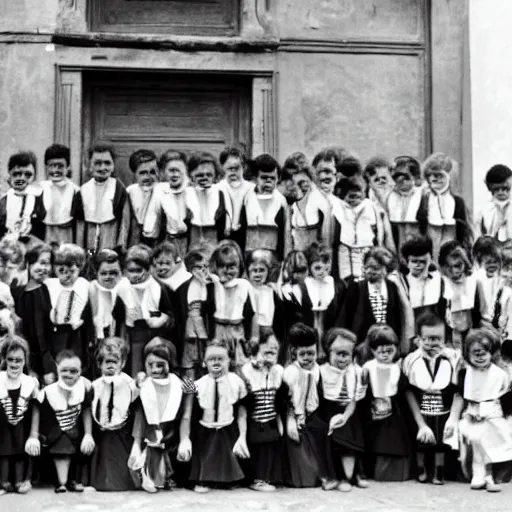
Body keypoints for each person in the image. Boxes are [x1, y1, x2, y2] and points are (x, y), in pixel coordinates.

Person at [445, 328, 512, 492]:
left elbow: (505, 399)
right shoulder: (465, 374)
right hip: (472, 415)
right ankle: (477, 474)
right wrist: (453, 418)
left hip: (493, 415)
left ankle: (489, 476)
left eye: (485, 353)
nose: (480, 357)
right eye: (476, 353)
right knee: (475, 444)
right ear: (468, 353)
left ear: (493, 353)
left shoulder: (500, 374)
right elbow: (460, 396)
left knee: (490, 445)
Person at [128, 338, 194, 492]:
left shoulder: (181, 383)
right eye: (151, 365)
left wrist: (185, 439)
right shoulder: (142, 385)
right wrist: (136, 444)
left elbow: (186, 413)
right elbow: (139, 416)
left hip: (171, 436)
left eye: (160, 365)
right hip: (150, 437)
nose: (155, 370)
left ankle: (172, 477)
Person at [402, 312, 460, 485]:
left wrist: (453, 418)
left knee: (440, 442)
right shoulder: (411, 360)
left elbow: (458, 390)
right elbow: (408, 391)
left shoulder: (453, 358)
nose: (432, 343)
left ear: (445, 338)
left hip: (443, 407)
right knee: (422, 442)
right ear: (418, 339)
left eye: (437, 338)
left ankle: (439, 470)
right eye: (427, 339)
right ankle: (421, 468)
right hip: (422, 406)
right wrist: (420, 423)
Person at [187, 339, 250, 493]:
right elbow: (185, 395)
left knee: (225, 453)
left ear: (229, 360)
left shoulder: (237, 382)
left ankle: (227, 480)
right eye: (211, 359)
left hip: (226, 425)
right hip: (206, 427)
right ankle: (203, 479)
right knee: (205, 452)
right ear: (204, 362)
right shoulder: (199, 383)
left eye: (220, 359)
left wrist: (242, 436)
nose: (216, 363)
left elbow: (242, 410)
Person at [39, 349, 95, 493]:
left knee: (80, 447)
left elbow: (86, 410)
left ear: (80, 372)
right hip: (56, 431)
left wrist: (88, 434)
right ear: (57, 368)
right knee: (61, 446)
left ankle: (72, 480)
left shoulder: (83, 388)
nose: (68, 374)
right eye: (64, 370)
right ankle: (60, 481)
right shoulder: (48, 391)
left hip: (76, 430)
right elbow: (40, 413)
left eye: (73, 371)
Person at [282, 323, 331, 489]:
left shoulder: (317, 369)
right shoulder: (290, 372)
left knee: (320, 439)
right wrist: (291, 420)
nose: (307, 358)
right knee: (298, 448)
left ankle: (323, 475)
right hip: (294, 415)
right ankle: (300, 478)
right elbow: (285, 399)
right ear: (293, 353)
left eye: (311, 353)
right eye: (302, 354)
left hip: (311, 414)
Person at [318, 328, 367, 492]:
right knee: (335, 439)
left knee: (351, 431)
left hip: (349, 411)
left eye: (346, 354)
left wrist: (345, 415)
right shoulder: (322, 371)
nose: (342, 358)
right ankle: (339, 476)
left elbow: (354, 398)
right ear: (328, 351)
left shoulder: (357, 371)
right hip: (328, 410)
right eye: (338, 353)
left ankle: (355, 474)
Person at [361, 325, 411, 481]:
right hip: (372, 407)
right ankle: (371, 470)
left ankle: (395, 471)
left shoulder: (397, 368)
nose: (385, 355)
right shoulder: (368, 367)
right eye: (381, 352)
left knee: (395, 435)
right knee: (373, 436)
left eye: (389, 351)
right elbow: (363, 387)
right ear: (373, 351)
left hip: (393, 409)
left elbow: (401, 390)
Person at [115, 245, 174, 377]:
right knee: (134, 372)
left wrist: (161, 319)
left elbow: (170, 315)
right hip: (131, 335)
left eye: (138, 270)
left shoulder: (159, 288)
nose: (135, 275)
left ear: (147, 269)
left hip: (154, 336)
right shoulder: (122, 288)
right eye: (131, 271)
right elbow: (117, 316)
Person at [90, 337, 138, 491]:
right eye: (106, 362)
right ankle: (103, 482)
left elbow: (133, 400)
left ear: (122, 364)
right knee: (104, 455)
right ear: (100, 365)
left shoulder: (128, 383)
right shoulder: (96, 384)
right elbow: (95, 402)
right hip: (103, 428)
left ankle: (122, 482)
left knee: (119, 455)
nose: (110, 366)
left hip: (122, 428)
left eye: (114, 362)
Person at [241, 328, 286, 491]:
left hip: (271, 417)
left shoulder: (279, 371)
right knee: (259, 443)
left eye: (275, 348)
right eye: (267, 347)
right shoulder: (248, 369)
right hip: (254, 417)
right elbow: (244, 398)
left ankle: (266, 477)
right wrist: (256, 365)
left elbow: (281, 399)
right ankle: (256, 479)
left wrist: (280, 422)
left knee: (271, 443)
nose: (272, 350)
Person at [285, 243, 345, 360]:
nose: (322, 272)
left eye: (326, 268)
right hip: (305, 325)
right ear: (309, 266)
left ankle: (322, 348)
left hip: (329, 326)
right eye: (317, 268)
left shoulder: (332, 284)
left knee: (321, 322)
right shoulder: (305, 284)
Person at [331, 175, 395, 282]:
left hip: (364, 246)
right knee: (345, 275)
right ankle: (347, 293)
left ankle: (360, 294)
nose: (354, 200)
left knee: (361, 275)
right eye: (350, 196)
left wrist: (379, 242)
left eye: (357, 196)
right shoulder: (340, 206)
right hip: (345, 246)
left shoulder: (369, 206)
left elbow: (378, 225)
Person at [0, 335, 41, 495]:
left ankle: (19, 481)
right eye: (11, 359)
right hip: (2, 426)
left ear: (25, 360)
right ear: (4, 359)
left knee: (20, 451)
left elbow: (37, 406)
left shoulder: (30, 382)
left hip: (22, 426)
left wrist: (34, 434)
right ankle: (3, 482)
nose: (15, 364)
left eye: (19, 360)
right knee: (3, 451)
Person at [337, 247, 404, 344]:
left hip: (387, 340)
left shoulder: (391, 287)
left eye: (375, 268)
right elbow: (346, 316)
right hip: (362, 341)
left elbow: (396, 317)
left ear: (386, 269)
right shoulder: (356, 287)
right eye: (366, 267)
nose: (369, 271)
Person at [45, 244, 92, 375]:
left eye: (72, 271)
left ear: (80, 269)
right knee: (57, 362)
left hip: (76, 333)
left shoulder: (84, 285)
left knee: (75, 362)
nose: (67, 275)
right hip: (55, 331)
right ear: (55, 269)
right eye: (62, 271)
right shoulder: (50, 284)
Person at [210, 241, 258, 369]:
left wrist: (254, 336)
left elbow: (253, 314)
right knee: (218, 364)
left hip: (237, 331)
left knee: (239, 365)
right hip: (218, 330)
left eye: (232, 267)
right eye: (222, 266)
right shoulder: (213, 284)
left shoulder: (244, 285)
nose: (227, 271)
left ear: (239, 267)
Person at [417, 152, 473, 260]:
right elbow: (420, 223)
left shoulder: (457, 201)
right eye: (431, 176)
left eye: (440, 176)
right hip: (431, 243)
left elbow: (463, 229)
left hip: (452, 241)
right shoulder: (425, 199)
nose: (435, 180)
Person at [11, 243, 54, 382]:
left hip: (45, 355)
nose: (44, 268)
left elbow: (44, 332)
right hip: (22, 355)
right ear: (29, 263)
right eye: (41, 263)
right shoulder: (16, 291)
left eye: (48, 264)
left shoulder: (46, 290)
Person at [77, 144, 130, 254]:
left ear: (113, 165)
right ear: (89, 165)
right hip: (89, 242)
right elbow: (80, 225)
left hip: (110, 239)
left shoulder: (119, 189)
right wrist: (79, 248)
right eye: (98, 163)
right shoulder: (83, 190)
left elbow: (125, 221)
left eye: (107, 163)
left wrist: (121, 246)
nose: (102, 168)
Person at [174, 248, 216, 379]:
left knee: (207, 368)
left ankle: (204, 398)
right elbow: (193, 314)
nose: (204, 270)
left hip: (208, 328)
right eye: (199, 267)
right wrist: (204, 336)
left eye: (206, 266)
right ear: (191, 269)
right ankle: (189, 397)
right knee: (190, 368)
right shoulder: (187, 288)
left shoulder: (210, 285)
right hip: (193, 334)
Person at [239, 154, 289, 260]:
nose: (268, 181)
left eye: (272, 178)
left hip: (272, 259)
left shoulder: (281, 201)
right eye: (264, 178)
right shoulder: (247, 198)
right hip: (250, 258)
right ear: (256, 178)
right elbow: (241, 233)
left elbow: (285, 236)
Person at [438, 241, 485, 350]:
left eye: (458, 266)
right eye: (449, 267)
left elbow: (477, 310)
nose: (454, 271)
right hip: (449, 332)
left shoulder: (472, 282)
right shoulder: (441, 283)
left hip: (469, 327)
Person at [144, 150, 191, 257]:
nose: (175, 174)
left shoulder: (191, 189)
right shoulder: (160, 191)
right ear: (164, 172)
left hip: (190, 242)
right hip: (167, 242)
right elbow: (152, 221)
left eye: (179, 170)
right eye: (171, 170)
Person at [40, 144, 83, 245]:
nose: (55, 170)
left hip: (67, 236)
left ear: (68, 167)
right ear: (46, 167)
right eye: (51, 166)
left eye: (60, 166)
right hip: (45, 235)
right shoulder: (40, 189)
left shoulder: (75, 191)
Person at [185, 152, 229, 248]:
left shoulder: (222, 195)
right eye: (200, 175)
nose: (204, 178)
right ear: (191, 176)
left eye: (209, 175)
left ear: (215, 176)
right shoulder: (184, 195)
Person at [0, 151, 45, 244]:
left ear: (34, 177)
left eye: (28, 175)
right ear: (9, 175)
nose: (22, 178)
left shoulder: (38, 199)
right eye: (16, 174)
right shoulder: (3, 200)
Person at [217, 146, 254, 251]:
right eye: (230, 168)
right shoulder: (217, 189)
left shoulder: (251, 189)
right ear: (223, 168)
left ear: (243, 167)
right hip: (222, 239)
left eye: (236, 168)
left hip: (247, 239)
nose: (233, 172)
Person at [400, 236, 443, 324]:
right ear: (407, 262)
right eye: (414, 261)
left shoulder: (438, 279)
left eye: (423, 261)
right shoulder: (402, 282)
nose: (419, 265)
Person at [287, 165, 331, 252]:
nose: (298, 187)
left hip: (316, 253)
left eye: (302, 183)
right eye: (294, 183)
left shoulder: (321, 202)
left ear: (311, 181)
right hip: (298, 254)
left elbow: (327, 236)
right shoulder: (292, 206)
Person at [245, 250, 285, 345]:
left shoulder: (270, 290)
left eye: (262, 270)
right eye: (254, 270)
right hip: (250, 332)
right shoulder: (245, 288)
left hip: (268, 331)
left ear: (268, 271)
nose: (258, 274)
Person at [386, 157, 423, 251]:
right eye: (395, 178)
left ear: (416, 177)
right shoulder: (391, 196)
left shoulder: (423, 196)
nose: (399, 182)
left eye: (405, 178)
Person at [126, 149, 159, 247]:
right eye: (143, 173)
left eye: (152, 172)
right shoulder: (130, 192)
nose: (148, 177)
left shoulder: (162, 192)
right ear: (134, 174)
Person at [475, 164, 512, 242]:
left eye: (505, 189)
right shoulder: (483, 211)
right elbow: (478, 237)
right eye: (496, 189)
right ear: (490, 189)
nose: (501, 192)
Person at [473, 236, 502, 325]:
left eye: (496, 261)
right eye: (489, 262)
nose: (493, 265)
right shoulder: (477, 279)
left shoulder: (498, 278)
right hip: (482, 324)